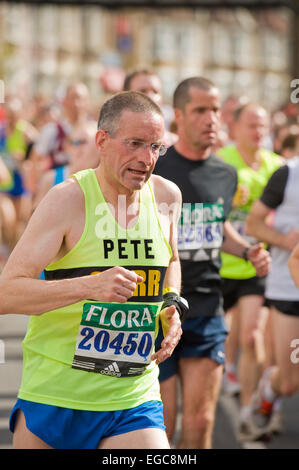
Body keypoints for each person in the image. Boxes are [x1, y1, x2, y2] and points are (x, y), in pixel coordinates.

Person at [0, 91, 184, 450]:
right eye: (134, 144)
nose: (146, 159)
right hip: (57, 395)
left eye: (155, 148)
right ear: (102, 140)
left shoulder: (167, 197)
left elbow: (171, 259)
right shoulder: (67, 199)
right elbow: (6, 293)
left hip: (132, 396)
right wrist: (89, 287)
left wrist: (171, 303)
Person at [153, 76, 271, 449]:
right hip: (157, 308)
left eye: (216, 110)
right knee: (164, 426)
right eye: (200, 110)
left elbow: (216, 228)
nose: (211, 119)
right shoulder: (156, 168)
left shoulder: (226, 173)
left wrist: (248, 250)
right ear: (179, 116)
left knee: (202, 420)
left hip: (206, 304)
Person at [216, 103, 282, 441]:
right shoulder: (222, 161)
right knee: (214, 336)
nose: (258, 132)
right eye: (252, 125)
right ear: (236, 127)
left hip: (255, 263)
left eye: (263, 126)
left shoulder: (276, 166)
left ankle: (246, 412)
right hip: (220, 263)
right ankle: (219, 374)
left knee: (252, 335)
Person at [245, 131, 299, 440]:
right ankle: (269, 386)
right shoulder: (287, 174)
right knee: (290, 383)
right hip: (288, 287)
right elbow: (253, 224)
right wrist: (284, 240)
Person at [123, 69, 178, 147]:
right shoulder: (107, 139)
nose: (150, 96)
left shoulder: (174, 144)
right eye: (143, 91)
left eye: (155, 91)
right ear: (125, 97)